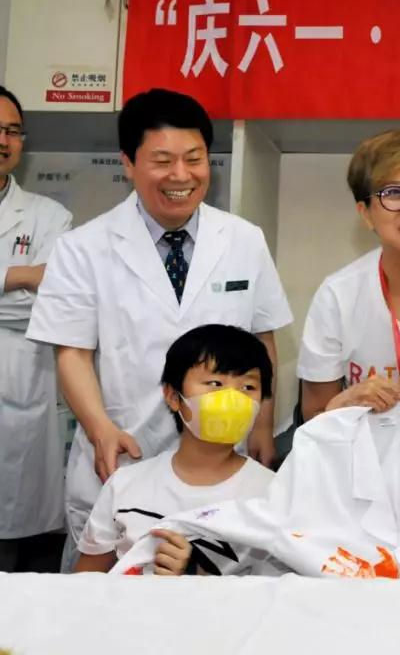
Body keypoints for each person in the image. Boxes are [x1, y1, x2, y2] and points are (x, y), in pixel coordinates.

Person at [26, 89, 292, 562]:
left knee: (220, 581)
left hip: (221, 458)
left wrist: (263, 427)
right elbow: (71, 352)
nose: (181, 175)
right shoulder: (83, 247)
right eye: (163, 161)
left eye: (195, 159)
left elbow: (261, 339)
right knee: (109, 585)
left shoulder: (244, 240)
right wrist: (100, 429)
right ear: (128, 163)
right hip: (125, 451)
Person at [75, 325, 277, 575]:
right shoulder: (125, 486)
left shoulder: (273, 494)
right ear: (172, 396)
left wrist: (194, 577)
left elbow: (283, 591)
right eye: (215, 383)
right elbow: (84, 582)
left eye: (248, 387)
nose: (232, 400)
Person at [298, 130, 400, 422]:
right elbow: (314, 415)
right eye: (393, 194)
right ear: (365, 213)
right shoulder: (337, 296)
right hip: (362, 444)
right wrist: (345, 402)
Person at [0, 85, 72, 572]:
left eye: (13, 131)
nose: (3, 140)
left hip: (17, 395)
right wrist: (21, 276)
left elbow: (53, 300)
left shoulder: (50, 216)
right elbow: (31, 290)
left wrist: (29, 284)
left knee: (9, 546)